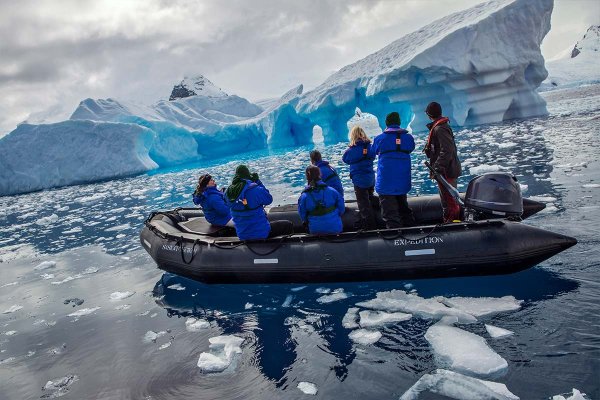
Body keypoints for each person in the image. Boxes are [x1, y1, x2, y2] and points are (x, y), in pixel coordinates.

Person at [371, 111, 416, 228]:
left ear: (386, 123)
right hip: (402, 180)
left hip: (386, 182)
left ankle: (396, 239)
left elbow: (373, 152)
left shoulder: (379, 139)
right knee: (403, 207)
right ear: (399, 122)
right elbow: (411, 148)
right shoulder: (408, 138)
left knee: (390, 213)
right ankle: (411, 233)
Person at [225, 165, 293, 240]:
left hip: (242, 234)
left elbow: (227, 204)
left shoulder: (227, 193)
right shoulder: (255, 189)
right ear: (248, 175)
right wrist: (258, 182)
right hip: (260, 233)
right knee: (287, 225)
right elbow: (269, 199)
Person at [423, 101, 462, 223]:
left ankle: (452, 224)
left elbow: (447, 150)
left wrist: (438, 167)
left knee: (450, 201)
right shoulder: (442, 127)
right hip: (446, 170)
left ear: (429, 115)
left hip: (446, 171)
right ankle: (451, 221)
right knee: (447, 200)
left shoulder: (440, 129)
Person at [342, 126, 378, 230]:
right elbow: (374, 155)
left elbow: (345, 159)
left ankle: (370, 227)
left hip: (359, 181)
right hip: (370, 179)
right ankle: (381, 208)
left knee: (363, 204)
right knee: (370, 197)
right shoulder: (370, 147)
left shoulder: (351, 150)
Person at [298, 166, 345, 234]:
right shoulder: (332, 191)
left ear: (307, 177)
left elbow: (303, 216)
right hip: (336, 228)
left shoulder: (304, 196)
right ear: (320, 174)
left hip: (315, 231)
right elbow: (342, 209)